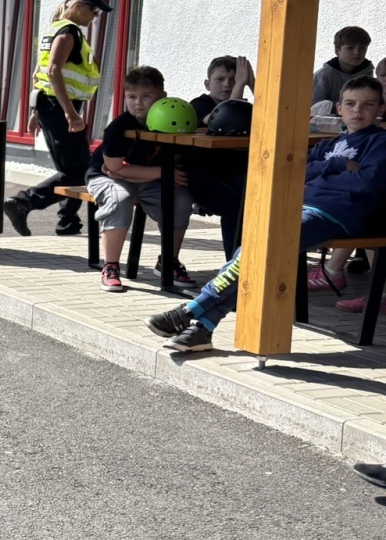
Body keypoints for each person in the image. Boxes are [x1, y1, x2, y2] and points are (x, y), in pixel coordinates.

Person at [148, 74, 386, 352]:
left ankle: (193, 309)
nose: (358, 111)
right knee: (254, 249)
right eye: (351, 104)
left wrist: (323, 174)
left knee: (260, 246)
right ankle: (203, 326)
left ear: (381, 108)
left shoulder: (379, 142)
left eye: (368, 104)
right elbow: (296, 173)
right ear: (339, 108)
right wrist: (336, 166)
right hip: (299, 207)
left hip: (334, 215)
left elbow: (366, 184)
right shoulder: (328, 145)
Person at [3, 0, 113, 237]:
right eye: (93, 11)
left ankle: (67, 221)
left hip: (52, 106)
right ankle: (24, 202)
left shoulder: (56, 30)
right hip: (60, 107)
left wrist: (35, 113)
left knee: (73, 169)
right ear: (77, 6)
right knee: (79, 170)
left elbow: (38, 74)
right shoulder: (68, 33)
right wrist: (71, 114)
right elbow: (52, 71)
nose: (95, 17)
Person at [85, 66, 196, 292]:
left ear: (162, 97)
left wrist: (157, 173)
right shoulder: (119, 128)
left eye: (146, 96)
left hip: (144, 177)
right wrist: (163, 173)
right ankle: (111, 266)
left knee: (181, 198)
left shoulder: (173, 120)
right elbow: (114, 168)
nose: (138, 103)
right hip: (104, 176)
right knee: (120, 197)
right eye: (132, 97)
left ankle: (168, 261)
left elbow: (179, 158)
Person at [188, 55, 255, 259]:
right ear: (207, 84)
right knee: (235, 205)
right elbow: (224, 120)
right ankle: (233, 264)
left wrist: (253, 83)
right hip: (202, 175)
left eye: (233, 79)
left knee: (264, 197)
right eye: (220, 79)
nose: (227, 84)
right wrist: (240, 85)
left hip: (233, 174)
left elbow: (273, 111)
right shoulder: (199, 104)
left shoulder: (242, 106)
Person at [312, 26, 372, 109]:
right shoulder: (323, 75)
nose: (357, 52)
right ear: (337, 51)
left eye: (362, 48)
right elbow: (313, 107)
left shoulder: (369, 74)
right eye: (350, 48)